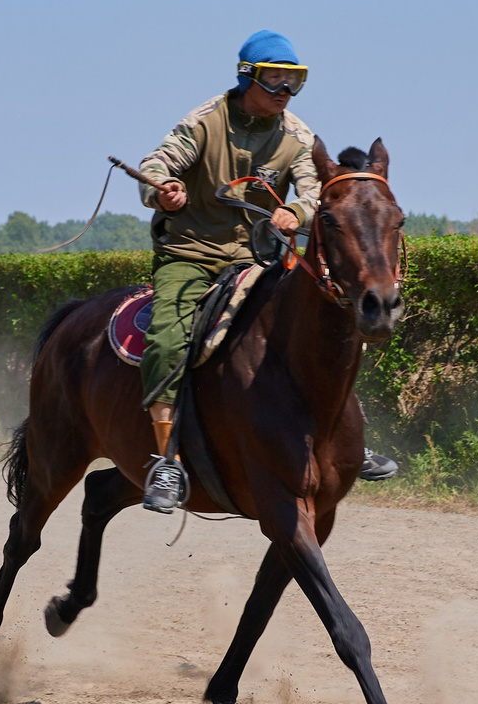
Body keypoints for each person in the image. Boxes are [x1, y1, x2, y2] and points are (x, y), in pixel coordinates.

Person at [130, 32, 397, 512]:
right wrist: (163, 188)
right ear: (246, 75)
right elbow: (157, 164)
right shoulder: (203, 121)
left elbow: (321, 194)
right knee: (168, 339)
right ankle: (165, 458)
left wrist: (297, 212)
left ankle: (343, 442)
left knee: (323, 325)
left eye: (294, 82)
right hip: (191, 255)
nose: (284, 91)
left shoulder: (297, 135)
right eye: (275, 78)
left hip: (257, 260)